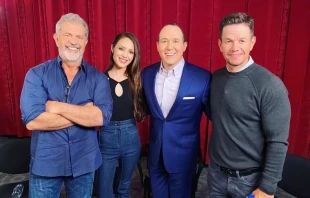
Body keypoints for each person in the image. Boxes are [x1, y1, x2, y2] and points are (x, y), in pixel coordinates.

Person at [20, 13, 113, 198]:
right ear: (56, 38)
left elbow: (101, 117)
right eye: (67, 35)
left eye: (79, 36)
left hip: (84, 162)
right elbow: (33, 121)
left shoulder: (99, 79)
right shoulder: (36, 74)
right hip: (46, 163)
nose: (74, 41)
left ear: (86, 41)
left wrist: (58, 107)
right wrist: (83, 114)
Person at [208, 12, 291, 198]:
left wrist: (268, 188)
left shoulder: (270, 85)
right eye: (228, 41)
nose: (235, 47)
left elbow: (278, 142)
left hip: (250, 180)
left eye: (242, 40)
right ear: (220, 44)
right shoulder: (216, 78)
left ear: (252, 42)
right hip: (215, 174)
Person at [142, 23, 212, 198]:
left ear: (184, 46)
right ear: (157, 45)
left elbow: (216, 115)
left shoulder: (202, 78)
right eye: (164, 41)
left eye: (175, 41)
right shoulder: (147, 74)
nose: (169, 46)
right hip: (156, 156)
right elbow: (142, 107)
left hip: (184, 157)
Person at [97, 32, 145, 198]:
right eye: (121, 49)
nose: (125, 55)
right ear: (112, 49)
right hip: (106, 137)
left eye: (130, 52)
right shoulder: (99, 80)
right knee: (104, 191)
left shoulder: (137, 80)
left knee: (124, 188)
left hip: (131, 136)